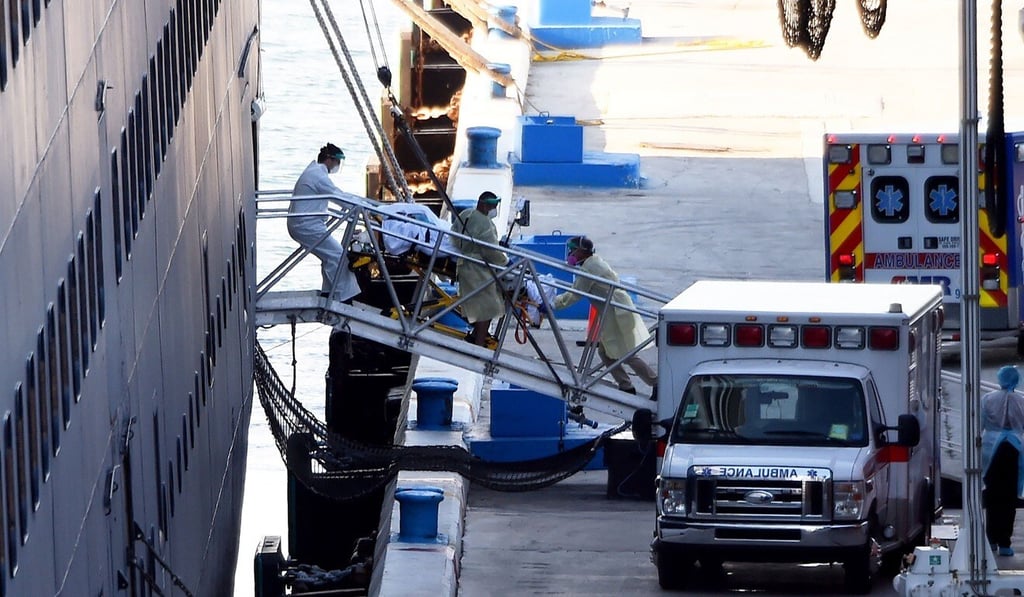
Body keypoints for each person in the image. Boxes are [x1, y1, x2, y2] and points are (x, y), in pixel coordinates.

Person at [551, 236, 657, 398]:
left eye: (573, 250)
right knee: (606, 352)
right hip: (613, 311)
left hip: (617, 312)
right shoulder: (592, 262)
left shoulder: (589, 268)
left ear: (582, 251)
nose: (570, 253)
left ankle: (655, 383)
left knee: (625, 353)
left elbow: (574, 295)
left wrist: (552, 304)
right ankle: (626, 385)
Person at [287, 143, 361, 303]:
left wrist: (358, 203)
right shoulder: (318, 176)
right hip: (306, 226)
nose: (337, 166)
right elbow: (338, 197)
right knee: (338, 255)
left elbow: (338, 194)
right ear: (330, 160)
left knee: (329, 255)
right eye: (337, 162)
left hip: (306, 224)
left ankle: (329, 292)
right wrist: (362, 208)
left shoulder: (314, 172)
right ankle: (343, 298)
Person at [451, 191, 509, 346]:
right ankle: (478, 343)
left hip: (464, 264)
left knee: (481, 306)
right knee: (487, 307)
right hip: (477, 270)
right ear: (484, 205)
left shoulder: (466, 214)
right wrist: (505, 262)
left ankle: (476, 335)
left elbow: (453, 233)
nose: (494, 210)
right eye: (493, 207)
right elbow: (490, 250)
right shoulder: (485, 224)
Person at [981, 365, 1024, 556]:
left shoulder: (988, 399)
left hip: (991, 450)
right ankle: (1005, 542)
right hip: (1013, 449)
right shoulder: (1021, 401)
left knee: (992, 496)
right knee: (1009, 498)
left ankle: (991, 540)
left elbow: (979, 424)